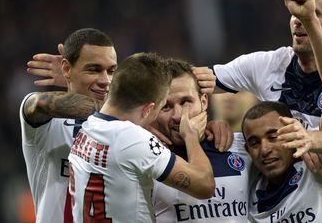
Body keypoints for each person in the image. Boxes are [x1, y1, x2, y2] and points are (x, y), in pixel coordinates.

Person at [194, 0, 322, 222]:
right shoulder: (269, 65)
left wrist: (311, 139)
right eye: (297, 12)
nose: (300, 19)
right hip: (293, 210)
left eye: (314, 13)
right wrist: (205, 122)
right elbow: (192, 83)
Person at [68, 53, 215, 222]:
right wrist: (191, 136)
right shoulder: (134, 140)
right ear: (147, 109)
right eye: (163, 107)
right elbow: (205, 186)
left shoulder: (87, 127)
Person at [20, 28, 117, 223]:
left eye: (111, 71)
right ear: (66, 69)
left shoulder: (124, 124)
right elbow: (37, 105)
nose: (106, 80)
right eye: (94, 69)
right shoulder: (45, 122)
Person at [152, 59, 252, 223]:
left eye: (186, 102)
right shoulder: (146, 159)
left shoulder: (242, 147)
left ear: (204, 101)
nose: (178, 115)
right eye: (166, 106)